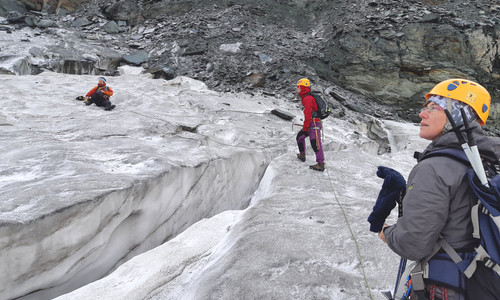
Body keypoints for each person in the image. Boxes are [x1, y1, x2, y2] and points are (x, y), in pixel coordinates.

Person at [368, 79, 499, 299]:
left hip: (446, 287)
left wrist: (385, 231)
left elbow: (412, 245)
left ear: (459, 115)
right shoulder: (491, 162)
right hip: (486, 284)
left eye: (434, 107)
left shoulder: (434, 167)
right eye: (425, 107)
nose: (422, 114)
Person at [295, 78, 325, 172]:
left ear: (302, 87)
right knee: (299, 137)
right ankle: (302, 155)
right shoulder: (306, 97)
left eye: (298, 87)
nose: (297, 89)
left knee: (315, 143)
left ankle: (320, 164)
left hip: (314, 123)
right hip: (312, 123)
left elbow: (307, 115)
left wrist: (305, 128)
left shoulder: (307, 98)